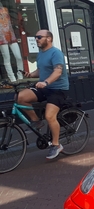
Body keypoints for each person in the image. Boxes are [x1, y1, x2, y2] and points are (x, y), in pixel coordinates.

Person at [18, 29, 69, 159]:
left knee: (50, 116)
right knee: (20, 97)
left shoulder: (56, 53)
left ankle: (56, 145)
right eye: (35, 37)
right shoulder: (41, 54)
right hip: (44, 87)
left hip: (58, 89)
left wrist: (46, 82)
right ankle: (36, 121)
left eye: (39, 37)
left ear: (49, 38)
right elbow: (41, 70)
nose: (36, 39)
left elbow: (57, 72)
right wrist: (30, 75)